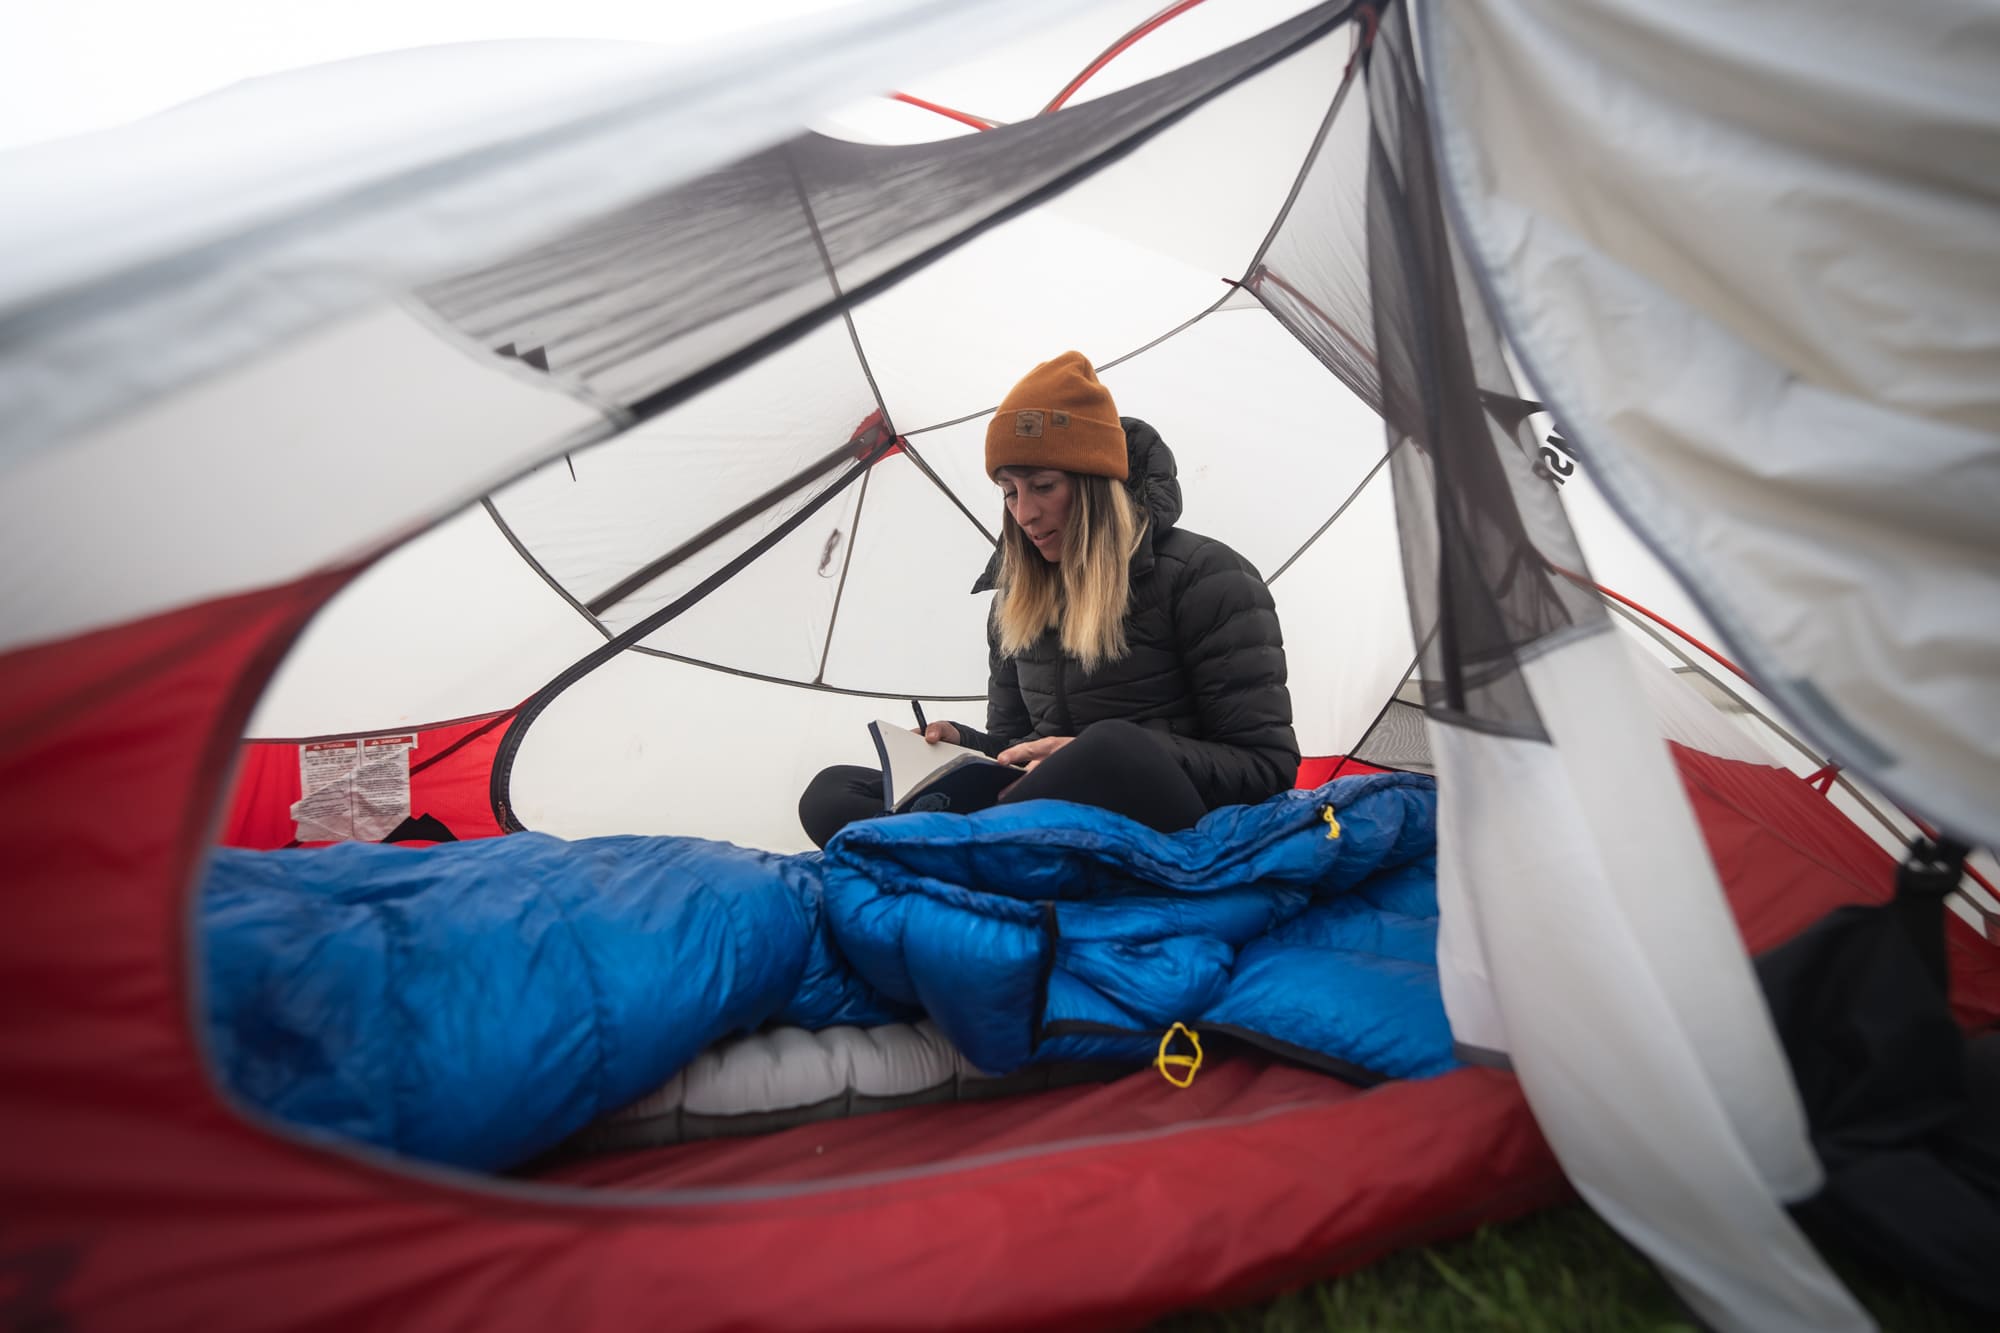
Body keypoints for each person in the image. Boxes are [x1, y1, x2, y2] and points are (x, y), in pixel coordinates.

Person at [798, 351, 1298, 849]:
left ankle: (959, 849)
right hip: (1037, 807)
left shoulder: (1206, 576)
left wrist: (1087, 757)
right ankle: (977, 849)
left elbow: (1265, 766)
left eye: (1042, 486)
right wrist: (963, 746)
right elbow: (1014, 746)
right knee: (833, 792)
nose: (1024, 514)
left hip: (1163, 822)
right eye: (1009, 492)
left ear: (1095, 485)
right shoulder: (1015, 603)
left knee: (1110, 746)